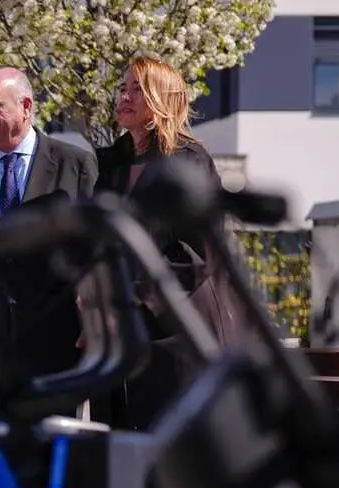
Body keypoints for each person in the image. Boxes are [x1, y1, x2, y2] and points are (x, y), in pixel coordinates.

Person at [93, 55, 238, 431]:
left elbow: (197, 252)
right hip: (120, 341)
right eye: (122, 88)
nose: (124, 97)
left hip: (177, 336)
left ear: (163, 98)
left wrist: (135, 299)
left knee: (176, 465)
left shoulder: (188, 161)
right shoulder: (111, 164)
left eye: (137, 89)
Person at [0, 66, 98, 377]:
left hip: (61, 340)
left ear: (26, 106)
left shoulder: (76, 164)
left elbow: (94, 251)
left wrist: (93, 321)